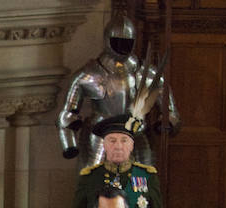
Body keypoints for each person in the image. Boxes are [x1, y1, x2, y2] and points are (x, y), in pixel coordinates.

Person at [57, 11, 179, 171]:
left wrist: (167, 123)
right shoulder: (90, 74)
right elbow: (67, 115)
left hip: (137, 136)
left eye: (126, 42)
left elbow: (171, 111)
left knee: (142, 187)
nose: (122, 46)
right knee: (96, 184)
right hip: (101, 138)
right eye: (117, 41)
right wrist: (69, 145)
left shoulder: (147, 73)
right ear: (108, 40)